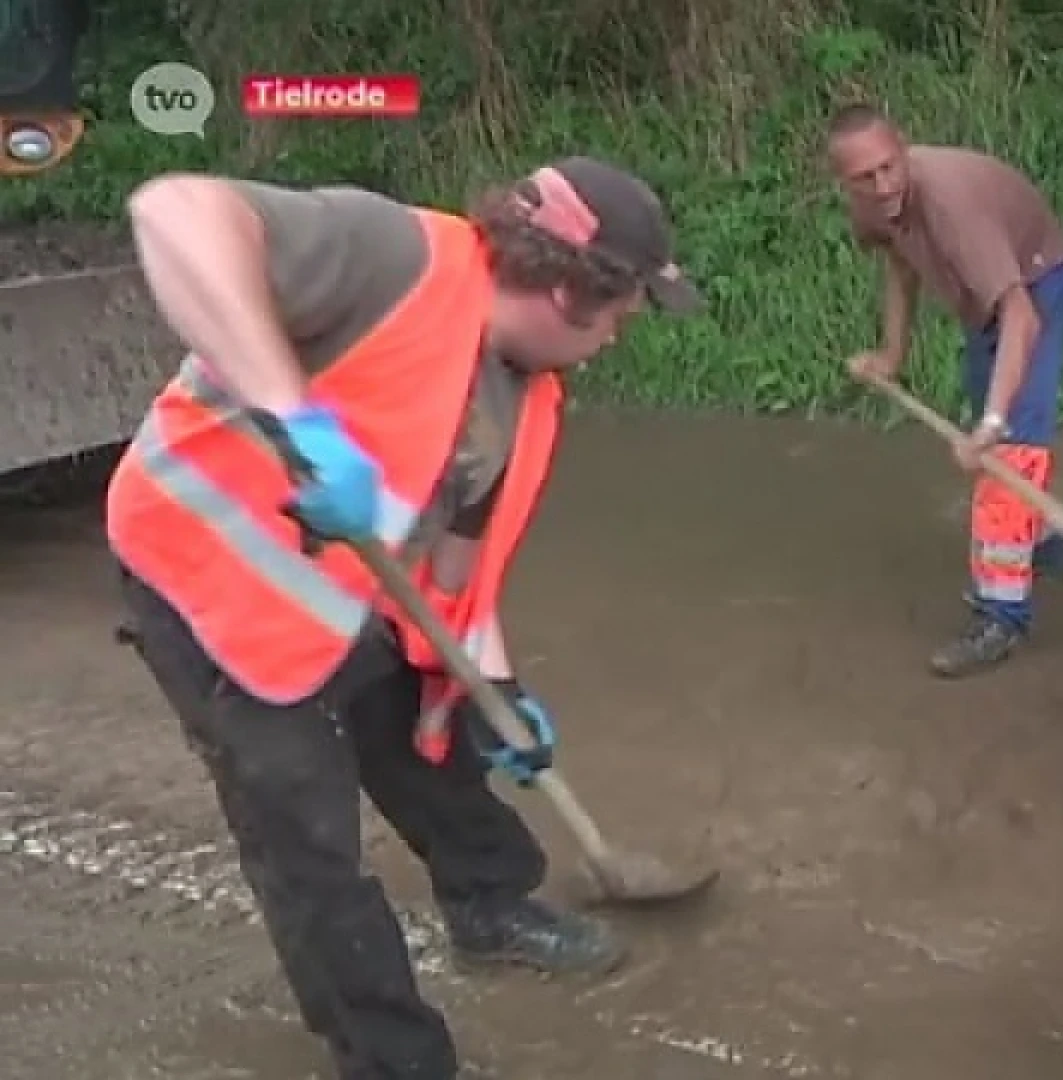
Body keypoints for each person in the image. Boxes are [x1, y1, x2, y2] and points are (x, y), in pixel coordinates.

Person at [103, 157, 704, 1078]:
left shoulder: (523, 390)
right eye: (624, 310)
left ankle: (490, 906)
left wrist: (495, 687)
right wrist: (295, 416)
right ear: (571, 290)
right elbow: (174, 208)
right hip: (207, 586)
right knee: (308, 846)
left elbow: (456, 571)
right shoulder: (395, 255)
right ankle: (392, 1057)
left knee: (437, 738)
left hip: (344, 594)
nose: (621, 334)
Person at [825, 103, 1063, 678]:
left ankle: (1002, 616)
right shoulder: (873, 207)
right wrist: (892, 354)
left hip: (1034, 285)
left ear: (904, 147)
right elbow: (899, 264)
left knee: (1007, 449)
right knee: (998, 417)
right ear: (844, 182)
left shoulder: (951, 206)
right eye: (865, 178)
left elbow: (1022, 318)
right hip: (981, 297)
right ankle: (1042, 543)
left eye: (891, 167)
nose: (883, 184)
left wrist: (991, 426)